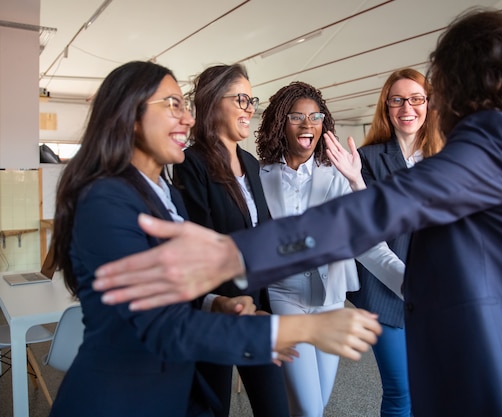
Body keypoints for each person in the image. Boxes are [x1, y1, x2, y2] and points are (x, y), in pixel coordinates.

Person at [92, 9, 502, 417]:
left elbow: (376, 210)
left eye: (436, 88)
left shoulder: (499, 138)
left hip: (493, 374)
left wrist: (233, 253)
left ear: (460, 84)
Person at [49, 60, 382, 417]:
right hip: (123, 398)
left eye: (185, 107)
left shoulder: (163, 193)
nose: (188, 119)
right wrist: (301, 328)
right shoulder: (106, 201)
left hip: (175, 381)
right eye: (172, 105)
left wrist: (213, 303)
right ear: (129, 115)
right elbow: (158, 324)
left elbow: (176, 285)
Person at [254, 81, 405, 417]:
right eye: (297, 117)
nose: (308, 125)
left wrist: (410, 282)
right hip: (285, 296)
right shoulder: (260, 176)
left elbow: (367, 242)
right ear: (280, 122)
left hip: (331, 299)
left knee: (317, 404)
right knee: (308, 410)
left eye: (315, 116)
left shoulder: (338, 175)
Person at [171, 63, 289, 417]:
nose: (249, 107)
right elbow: (200, 246)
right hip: (218, 310)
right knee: (213, 408)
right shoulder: (191, 164)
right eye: (241, 98)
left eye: (251, 98)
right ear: (211, 102)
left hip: (257, 309)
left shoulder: (252, 164)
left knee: (275, 408)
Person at [349, 68, 445, 417]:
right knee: (401, 391)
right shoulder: (367, 159)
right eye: (397, 100)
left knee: (435, 385)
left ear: (429, 104)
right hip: (383, 294)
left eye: (416, 98)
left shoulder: (444, 157)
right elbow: (365, 232)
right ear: (386, 107)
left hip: (438, 290)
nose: (407, 107)